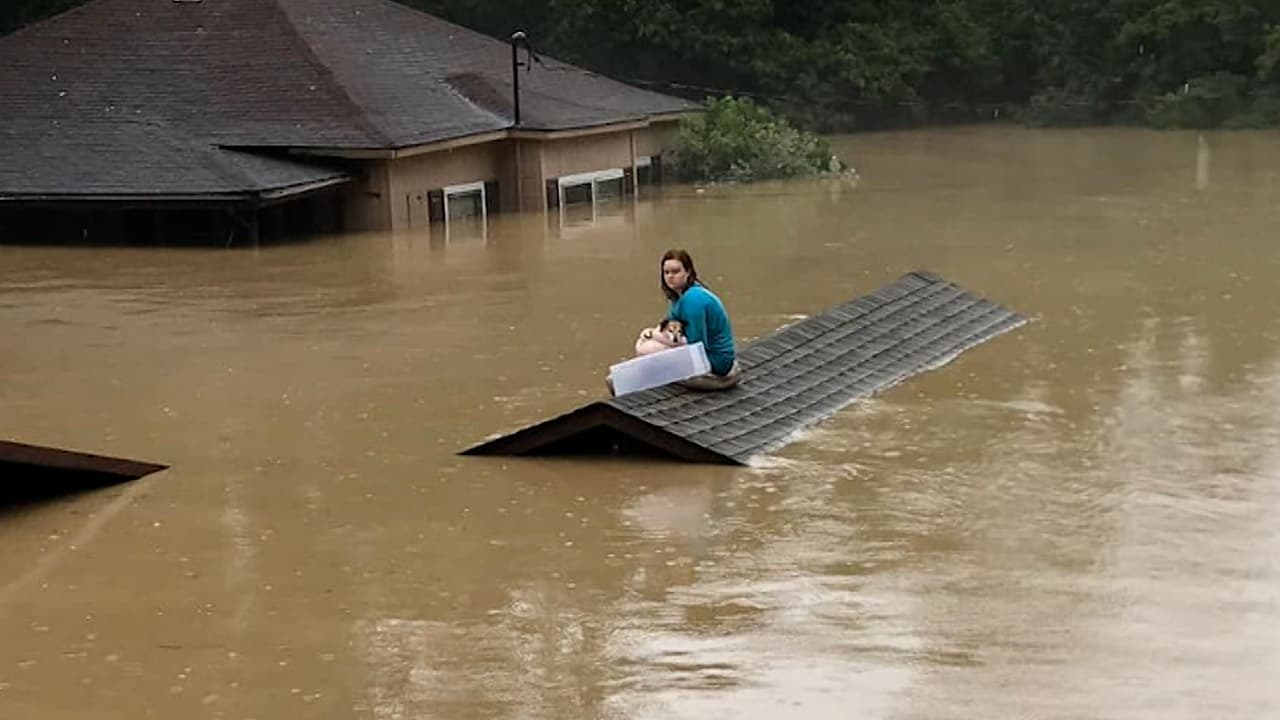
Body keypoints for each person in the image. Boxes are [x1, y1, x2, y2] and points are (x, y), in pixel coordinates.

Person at [660, 249, 740, 390]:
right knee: (647, 346)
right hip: (703, 353)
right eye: (666, 273)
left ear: (688, 272)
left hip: (717, 361)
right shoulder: (677, 298)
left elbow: (697, 345)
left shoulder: (693, 299)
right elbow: (671, 329)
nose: (670, 277)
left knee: (649, 349)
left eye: (675, 272)